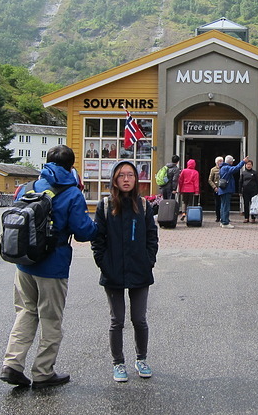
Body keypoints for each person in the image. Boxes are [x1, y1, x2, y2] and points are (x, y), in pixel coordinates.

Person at [0, 145, 98, 389]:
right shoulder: (72, 193)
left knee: (25, 312)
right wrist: (100, 227)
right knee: (51, 319)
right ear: (71, 166)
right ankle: (43, 372)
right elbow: (84, 231)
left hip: (24, 263)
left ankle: (12, 364)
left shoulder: (28, 186)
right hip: (53, 267)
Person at [92, 160, 159, 382]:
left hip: (140, 270)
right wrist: (103, 262)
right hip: (113, 271)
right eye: (122, 175)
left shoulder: (144, 206)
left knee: (139, 319)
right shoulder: (104, 206)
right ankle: (118, 363)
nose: (127, 179)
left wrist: (149, 260)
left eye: (130, 175)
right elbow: (97, 239)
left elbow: (152, 236)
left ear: (136, 179)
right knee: (117, 320)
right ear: (114, 179)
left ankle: (142, 359)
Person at [218, 155, 249, 228]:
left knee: (223, 206)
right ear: (230, 162)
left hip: (223, 190)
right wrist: (243, 162)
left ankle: (223, 221)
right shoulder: (227, 168)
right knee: (226, 207)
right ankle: (225, 223)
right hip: (226, 190)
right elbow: (236, 168)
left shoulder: (223, 167)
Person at [208, 156, 224, 223]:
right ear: (216, 162)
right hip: (216, 189)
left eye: (221, 161)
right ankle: (218, 217)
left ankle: (224, 217)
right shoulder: (213, 169)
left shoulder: (224, 168)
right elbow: (210, 180)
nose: (220, 162)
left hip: (223, 188)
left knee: (224, 203)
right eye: (219, 161)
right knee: (217, 203)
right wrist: (214, 187)